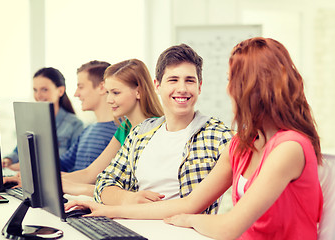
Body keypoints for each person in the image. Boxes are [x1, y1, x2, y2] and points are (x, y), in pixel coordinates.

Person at [66, 38, 324, 239]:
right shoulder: (241, 144)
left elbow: (227, 227)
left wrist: (189, 219)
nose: (228, 89)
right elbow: (189, 202)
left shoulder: (289, 147)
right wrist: (106, 210)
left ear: (254, 86)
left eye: (232, 80)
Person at [67, 44, 233, 213]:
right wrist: (127, 198)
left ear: (199, 86)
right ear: (157, 86)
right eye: (173, 80)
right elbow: (104, 182)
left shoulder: (217, 135)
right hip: (131, 229)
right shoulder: (140, 133)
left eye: (189, 80)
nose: (182, 89)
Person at [61, 58, 164, 196]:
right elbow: (91, 173)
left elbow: (131, 191)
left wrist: (69, 187)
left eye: (116, 93)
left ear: (138, 91)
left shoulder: (157, 130)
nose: (109, 100)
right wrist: (47, 182)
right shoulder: (125, 128)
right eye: (108, 92)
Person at [2, 67, 84, 170]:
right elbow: (18, 152)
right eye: (35, 90)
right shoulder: (32, 122)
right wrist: (8, 160)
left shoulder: (75, 125)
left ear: (60, 91)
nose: (38, 95)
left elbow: (72, 165)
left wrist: (29, 166)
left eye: (44, 89)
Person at [59, 60, 118, 172]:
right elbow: (63, 164)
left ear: (102, 87)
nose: (76, 94)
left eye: (81, 87)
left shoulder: (120, 132)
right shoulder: (88, 130)